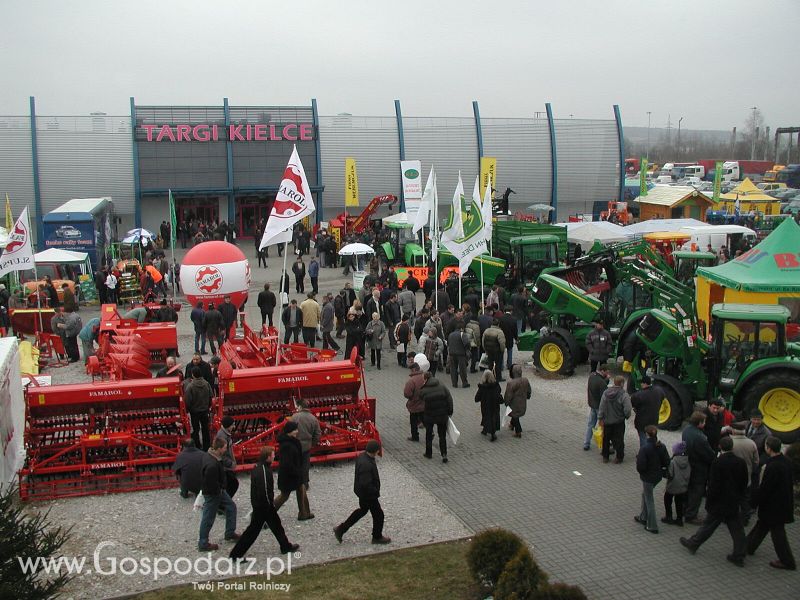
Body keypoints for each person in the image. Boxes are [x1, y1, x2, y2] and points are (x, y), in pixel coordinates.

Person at [679, 436, 748, 567]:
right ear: (732, 447)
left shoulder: (718, 462)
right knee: (737, 529)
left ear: (720, 447)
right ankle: (739, 554)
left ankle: (693, 543)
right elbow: (744, 482)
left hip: (719, 502)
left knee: (709, 525)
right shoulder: (740, 462)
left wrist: (709, 502)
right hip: (733, 501)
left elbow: (713, 485)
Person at [229, 446, 299, 560]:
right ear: (267, 457)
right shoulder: (264, 471)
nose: (274, 457)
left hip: (261, 505)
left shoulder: (259, 468)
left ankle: (285, 545)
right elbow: (264, 490)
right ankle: (236, 554)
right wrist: (269, 504)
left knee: (276, 526)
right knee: (253, 531)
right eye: (272, 455)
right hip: (264, 506)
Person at [746, 435, 796, 570]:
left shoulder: (773, 466)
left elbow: (765, 488)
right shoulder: (786, 461)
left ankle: (787, 561)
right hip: (782, 504)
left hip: (773, 506)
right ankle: (748, 547)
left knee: (777, 534)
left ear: (768, 448)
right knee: (762, 526)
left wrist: (754, 501)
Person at [333, 440, 391, 545]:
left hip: (362, 493)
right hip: (368, 495)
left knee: (362, 511)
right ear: (375, 451)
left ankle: (341, 529)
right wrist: (375, 490)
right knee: (379, 515)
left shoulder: (362, 457)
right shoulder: (367, 465)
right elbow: (366, 483)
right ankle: (377, 537)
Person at [198, 438, 240, 551]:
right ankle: (203, 543)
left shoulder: (210, 456)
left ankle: (230, 533)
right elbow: (210, 482)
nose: (226, 450)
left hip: (217, 491)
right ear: (219, 448)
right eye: (225, 448)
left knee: (231, 507)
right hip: (213, 493)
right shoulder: (212, 464)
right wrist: (219, 490)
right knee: (208, 518)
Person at [682, 411, 716, 525]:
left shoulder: (686, 430)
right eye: (704, 422)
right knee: (697, 492)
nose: (705, 424)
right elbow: (709, 455)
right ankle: (691, 515)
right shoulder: (700, 437)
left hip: (688, 464)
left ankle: (684, 509)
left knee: (688, 489)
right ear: (699, 423)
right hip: (699, 468)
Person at [634, 425, 670, 534]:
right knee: (645, 494)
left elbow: (640, 466)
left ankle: (652, 525)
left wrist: (643, 473)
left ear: (646, 434)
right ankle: (643, 517)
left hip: (648, 477)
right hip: (657, 476)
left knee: (649, 499)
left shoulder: (645, 448)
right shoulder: (661, 446)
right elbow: (667, 461)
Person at [291, 398, 320, 521]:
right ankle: (305, 482)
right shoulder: (313, 418)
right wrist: (312, 443)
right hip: (306, 447)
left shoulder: (294, 417)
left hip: (296, 446)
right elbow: (317, 434)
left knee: (296, 465)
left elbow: (288, 430)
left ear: (300, 407)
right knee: (305, 465)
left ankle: (297, 481)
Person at [727, 421, 759, 524]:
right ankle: (745, 518)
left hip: (732, 477)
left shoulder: (729, 442)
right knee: (745, 498)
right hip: (747, 476)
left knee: (731, 498)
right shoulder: (751, 443)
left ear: (733, 431)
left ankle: (730, 517)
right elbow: (756, 461)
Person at [419, 370, 453, 463]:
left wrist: (423, 386)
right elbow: (449, 399)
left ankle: (428, 453)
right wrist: (449, 412)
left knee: (429, 434)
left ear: (425, 379)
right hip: (442, 415)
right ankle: (444, 454)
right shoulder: (442, 386)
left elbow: (420, 397)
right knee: (442, 436)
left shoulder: (424, 390)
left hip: (429, 415)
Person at [597, 375, 632, 463]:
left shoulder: (606, 393)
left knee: (606, 439)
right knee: (619, 440)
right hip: (618, 421)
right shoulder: (624, 394)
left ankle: (605, 456)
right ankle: (619, 457)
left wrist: (600, 418)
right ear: (622, 383)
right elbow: (627, 409)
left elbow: (601, 406)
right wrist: (626, 416)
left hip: (607, 420)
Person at [273, 421, 304, 515]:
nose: (297, 431)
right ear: (289, 431)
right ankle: (267, 514)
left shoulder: (289, 442)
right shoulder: (287, 445)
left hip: (292, 473)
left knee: (301, 489)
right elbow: (287, 464)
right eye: (295, 430)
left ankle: (304, 513)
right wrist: (297, 472)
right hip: (289, 475)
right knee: (284, 496)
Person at [631, 376, 665, 448]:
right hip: (654, 419)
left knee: (643, 438)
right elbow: (663, 398)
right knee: (653, 436)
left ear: (644, 383)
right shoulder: (659, 390)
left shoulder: (638, 395)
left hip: (642, 421)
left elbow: (633, 405)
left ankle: (644, 454)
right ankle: (654, 452)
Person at [662, 441, 691, 526]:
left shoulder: (673, 462)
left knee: (667, 499)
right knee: (679, 502)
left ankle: (669, 517)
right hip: (683, 485)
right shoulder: (687, 460)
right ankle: (679, 519)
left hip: (673, 485)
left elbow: (670, 474)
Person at [184, 366, 213, 451]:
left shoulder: (190, 386)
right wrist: (208, 406)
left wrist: (188, 409)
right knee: (205, 429)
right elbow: (211, 396)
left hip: (195, 412)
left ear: (193, 375)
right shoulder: (206, 383)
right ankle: (206, 446)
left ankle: (197, 445)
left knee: (195, 429)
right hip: (205, 411)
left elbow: (188, 401)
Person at [583, 364, 610, 451]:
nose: (608, 373)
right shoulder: (602, 383)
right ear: (603, 371)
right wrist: (607, 380)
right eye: (607, 372)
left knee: (590, 424)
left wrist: (605, 379)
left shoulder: (592, 376)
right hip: (600, 407)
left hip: (592, 405)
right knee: (602, 426)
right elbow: (604, 397)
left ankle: (586, 443)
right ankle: (603, 445)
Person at [504, 364, 531, 438]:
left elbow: (508, 395)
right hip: (522, 401)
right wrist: (528, 396)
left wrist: (506, 402)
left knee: (515, 415)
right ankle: (512, 425)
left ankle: (518, 432)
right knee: (515, 414)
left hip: (514, 403)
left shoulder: (511, 383)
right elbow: (529, 390)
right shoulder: (525, 380)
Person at [475, 369, 502, 441]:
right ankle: (491, 432)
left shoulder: (482, 387)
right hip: (495, 405)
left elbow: (476, 398)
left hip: (485, 406)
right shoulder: (496, 386)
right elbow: (499, 392)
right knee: (493, 417)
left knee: (486, 417)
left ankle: (487, 430)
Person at [215, 416, 238, 498]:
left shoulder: (224, 434)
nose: (234, 427)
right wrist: (231, 464)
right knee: (233, 484)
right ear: (228, 426)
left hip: (226, 466)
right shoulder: (223, 437)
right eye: (232, 425)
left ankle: (225, 502)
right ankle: (225, 503)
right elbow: (222, 455)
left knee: (230, 485)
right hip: (226, 467)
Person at [403, 361, 426, 442]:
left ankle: (415, 436)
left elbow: (407, 393)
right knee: (425, 420)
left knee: (413, 422)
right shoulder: (424, 377)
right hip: (424, 404)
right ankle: (431, 433)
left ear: (413, 370)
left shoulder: (411, 381)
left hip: (414, 405)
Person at [447, 320, 470, 388]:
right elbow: (467, 343)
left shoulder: (450, 335)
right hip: (461, 354)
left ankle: (454, 383)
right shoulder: (462, 334)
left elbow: (449, 343)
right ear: (462, 328)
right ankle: (464, 383)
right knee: (462, 369)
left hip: (451, 354)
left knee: (453, 369)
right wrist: (467, 350)